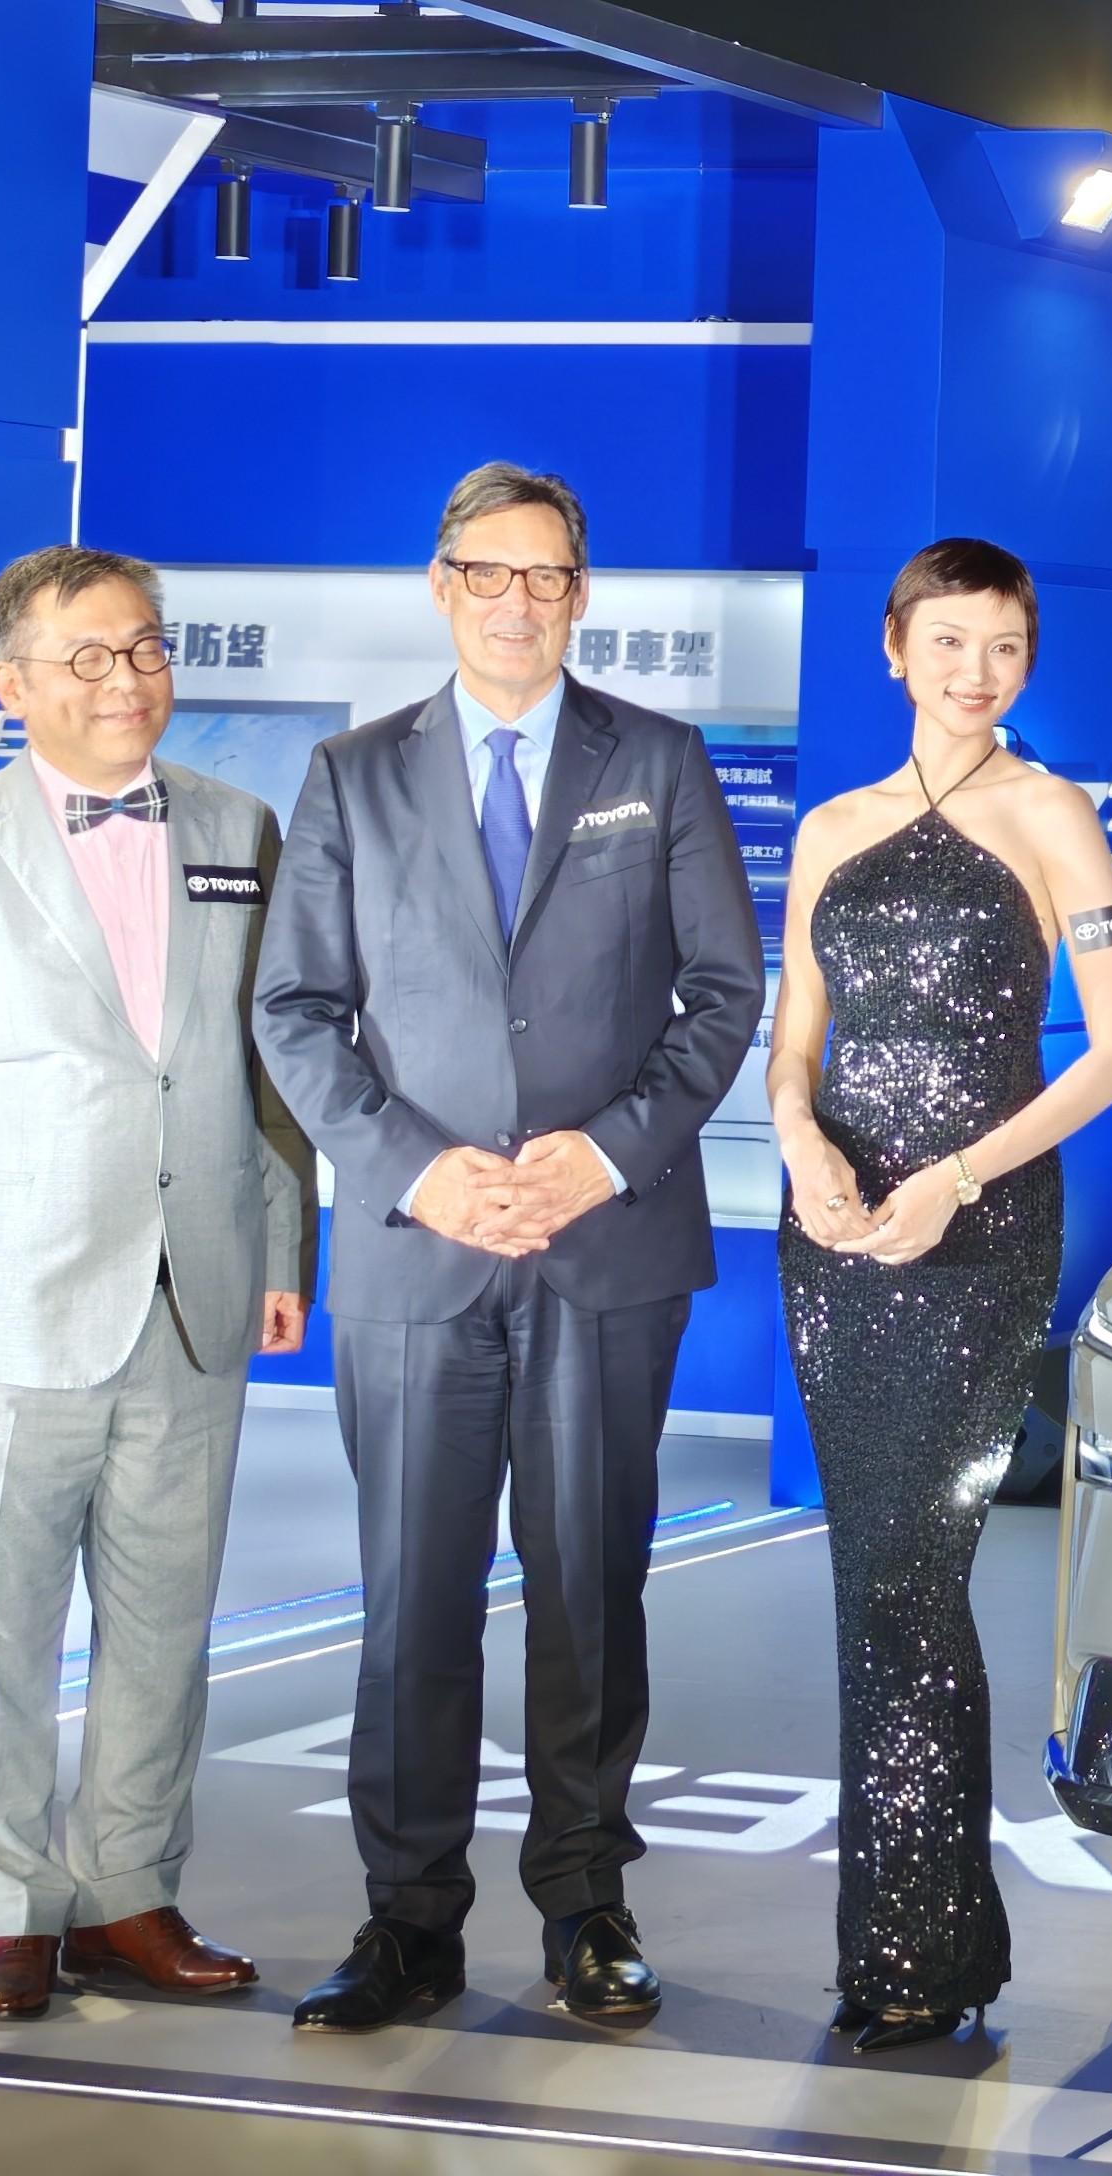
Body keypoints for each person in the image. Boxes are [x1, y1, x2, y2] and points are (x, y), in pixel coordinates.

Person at [254, 463, 763, 2034]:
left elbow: (722, 995)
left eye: (547, 576)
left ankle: (586, 1906)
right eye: (489, 572)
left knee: (590, 1586)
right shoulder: (353, 776)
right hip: (422, 1255)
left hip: (605, 1247)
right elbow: (295, 1012)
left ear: (582, 595)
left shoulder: (658, 761)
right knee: (411, 1595)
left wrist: (600, 1155)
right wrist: (424, 1174)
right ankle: (407, 1921)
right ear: (441, 585)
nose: (518, 601)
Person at [771, 539, 1112, 2052]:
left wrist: (956, 1178)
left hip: (976, 1242)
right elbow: (797, 1042)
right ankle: (912, 1942)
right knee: (868, 1580)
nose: (975, 672)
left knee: (911, 1582)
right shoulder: (831, 827)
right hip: (833, 1239)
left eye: (1003, 647)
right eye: (947, 642)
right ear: (894, 649)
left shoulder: (1049, 813)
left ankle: (919, 1951)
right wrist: (799, 1144)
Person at [0, 549, 312, 2021]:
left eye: (148, 649)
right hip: (7, 1293)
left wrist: (282, 1247)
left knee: (167, 1622)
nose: (129, 680)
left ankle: (126, 1894)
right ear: (13, 684)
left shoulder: (238, 827)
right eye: (91, 657)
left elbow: (271, 1061)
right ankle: (6, 1911)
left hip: (196, 1286)